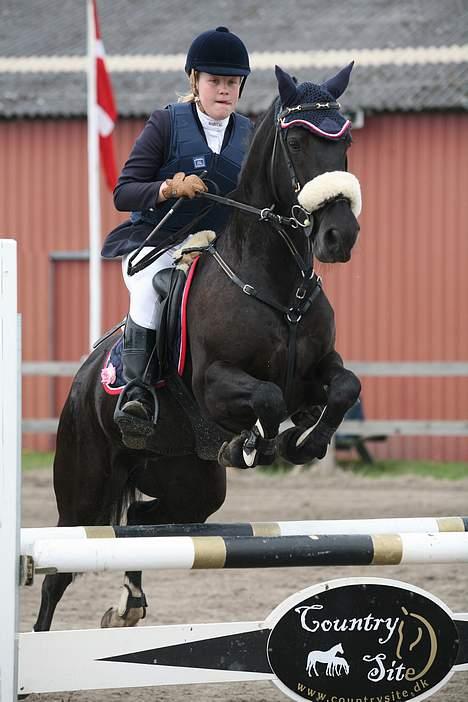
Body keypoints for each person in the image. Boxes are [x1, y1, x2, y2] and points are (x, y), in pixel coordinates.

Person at [101, 27, 252, 437]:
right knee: (151, 287)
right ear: (195, 81)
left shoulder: (250, 135)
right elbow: (124, 193)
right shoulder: (166, 123)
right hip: (158, 243)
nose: (223, 90)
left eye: (231, 83)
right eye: (214, 81)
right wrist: (168, 188)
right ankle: (138, 392)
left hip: (217, 252)